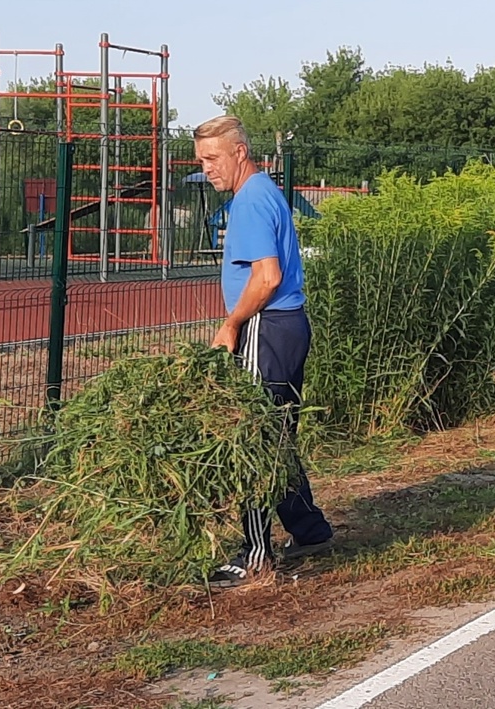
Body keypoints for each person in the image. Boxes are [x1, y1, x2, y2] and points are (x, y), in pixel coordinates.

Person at [194, 115, 335, 588]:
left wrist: (231, 323)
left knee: (251, 437)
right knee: (276, 436)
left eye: (213, 159)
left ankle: (255, 555)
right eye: (201, 160)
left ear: (239, 152)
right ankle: (309, 527)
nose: (207, 169)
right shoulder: (264, 193)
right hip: (288, 326)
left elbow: (267, 277)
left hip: (265, 326)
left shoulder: (250, 201)